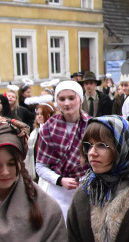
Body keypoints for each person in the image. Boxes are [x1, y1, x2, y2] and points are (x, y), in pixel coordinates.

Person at [35, 80, 90, 220]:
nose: (67, 103)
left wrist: (85, 179)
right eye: (62, 99)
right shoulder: (48, 127)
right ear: (56, 101)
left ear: (80, 99)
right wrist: (60, 180)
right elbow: (40, 166)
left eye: (71, 98)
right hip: (57, 191)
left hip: (87, 189)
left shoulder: (92, 126)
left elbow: (101, 162)